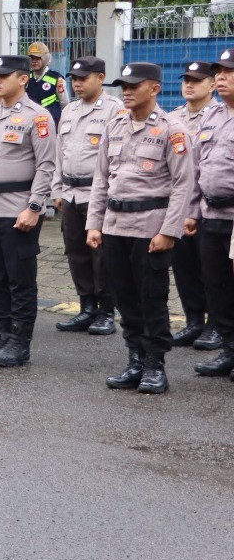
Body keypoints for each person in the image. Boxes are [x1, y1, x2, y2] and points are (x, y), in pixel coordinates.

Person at [87, 63, 194, 394]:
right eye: (123, 85)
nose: (127, 91)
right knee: (124, 298)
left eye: (134, 85)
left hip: (150, 228)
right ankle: (135, 359)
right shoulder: (114, 126)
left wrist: (168, 231)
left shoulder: (171, 129)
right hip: (116, 226)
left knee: (152, 298)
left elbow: (182, 185)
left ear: (155, 88)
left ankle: (154, 366)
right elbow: (101, 178)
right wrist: (94, 223)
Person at [0, 53, 58, 368]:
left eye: (4, 76)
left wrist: (35, 207)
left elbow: (47, 167)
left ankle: (20, 342)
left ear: (22, 79)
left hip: (17, 208)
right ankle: (1, 334)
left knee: (19, 277)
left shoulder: (38, 117)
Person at [52, 56, 123, 335]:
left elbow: (118, 157)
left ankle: (106, 310)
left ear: (101, 78)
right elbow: (60, 152)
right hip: (70, 193)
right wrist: (57, 189)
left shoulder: (114, 110)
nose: (77, 83)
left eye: (83, 78)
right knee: (76, 252)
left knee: (100, 254)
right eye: (74, 79)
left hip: (97, 193)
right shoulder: (69, 110)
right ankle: (86, 307)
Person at [188, 51, 234, 376]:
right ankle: (229, 350)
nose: (221, 77)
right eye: (219, 71)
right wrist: (191, 212)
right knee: (216, 287)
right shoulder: (212, 116)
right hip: (210, 216)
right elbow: (195, 169)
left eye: (229, 72)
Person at [169, 63, 219, 348]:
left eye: (196, 81)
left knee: (210, 269)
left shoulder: (217, 116)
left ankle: (215, 324)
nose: (189, 85)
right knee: (183, 266)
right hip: (178, 205)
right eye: (186, 80)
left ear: (211, 86)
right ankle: (193, 321)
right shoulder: (172, 117)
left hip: (207, 205)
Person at [26, 42, 67, 124]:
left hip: (50, 122)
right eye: (31, 58)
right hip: (29, 121)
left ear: (45, 58)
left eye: (37, 58)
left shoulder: (56, 79)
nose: (34, 61)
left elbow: (65, 104)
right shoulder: (26, 77)